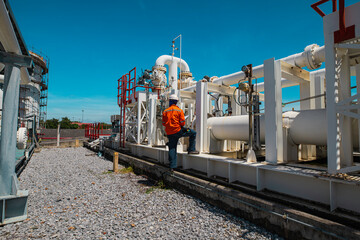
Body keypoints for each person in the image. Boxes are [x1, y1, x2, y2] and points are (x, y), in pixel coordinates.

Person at [162, 94, 199, 171]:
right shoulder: (179, 111)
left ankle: (172, 166)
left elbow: (163, 123)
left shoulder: (165, 111)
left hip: (170, 133)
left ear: (170, 101)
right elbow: (182, 123)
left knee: (172, 148)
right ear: (176, 102)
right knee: (193, 133)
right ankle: (191, 149)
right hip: (178, 131)